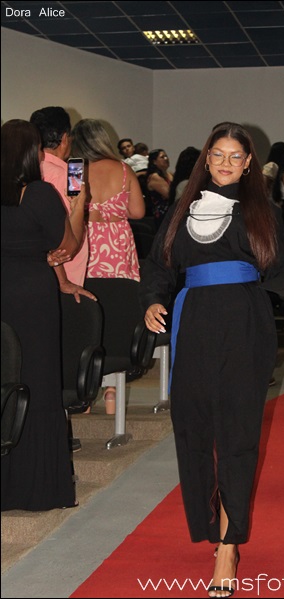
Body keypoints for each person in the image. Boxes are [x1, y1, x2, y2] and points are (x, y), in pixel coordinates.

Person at [139, 123, 284, 597]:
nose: (226, 163)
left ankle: (228, 547)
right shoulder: (181, 210)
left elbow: (280, 273)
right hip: (193, 324)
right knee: (194, 430)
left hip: (244, 325)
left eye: (235, 156)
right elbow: (159, 265)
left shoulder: (262, 211)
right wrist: (153, 300)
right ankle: (210, 524)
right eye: (218, 154)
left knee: (236, 436)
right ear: (206, 158)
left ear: (248, 163)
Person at [1, 119, 87, 510]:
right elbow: (67, 245)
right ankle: (36, 486)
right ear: (31, 153)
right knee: (37, 380)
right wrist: (78, 204)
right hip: (32, 297)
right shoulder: (37, 193)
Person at [72, 119, 145, 413]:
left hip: (86, 245)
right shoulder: (124, 169)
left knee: (87, 312)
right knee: (118, 312)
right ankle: (113, 389)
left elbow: (69, 207)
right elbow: (138, 211)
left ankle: (85, 390)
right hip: (117, 247)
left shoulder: (75, 170)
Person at [29, 106, 95, 304]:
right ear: (65, 138)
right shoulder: (67, 176)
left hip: (32, 270)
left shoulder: (27, 171)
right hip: (65, 271)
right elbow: (66, 239)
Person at [145, 148, 174, 230]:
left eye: (166, 156)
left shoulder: (170, 174)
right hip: (163, 215)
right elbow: (170, 194)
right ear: (154, 161)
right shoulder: (154, 177)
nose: (166, 159)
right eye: (162, 157)